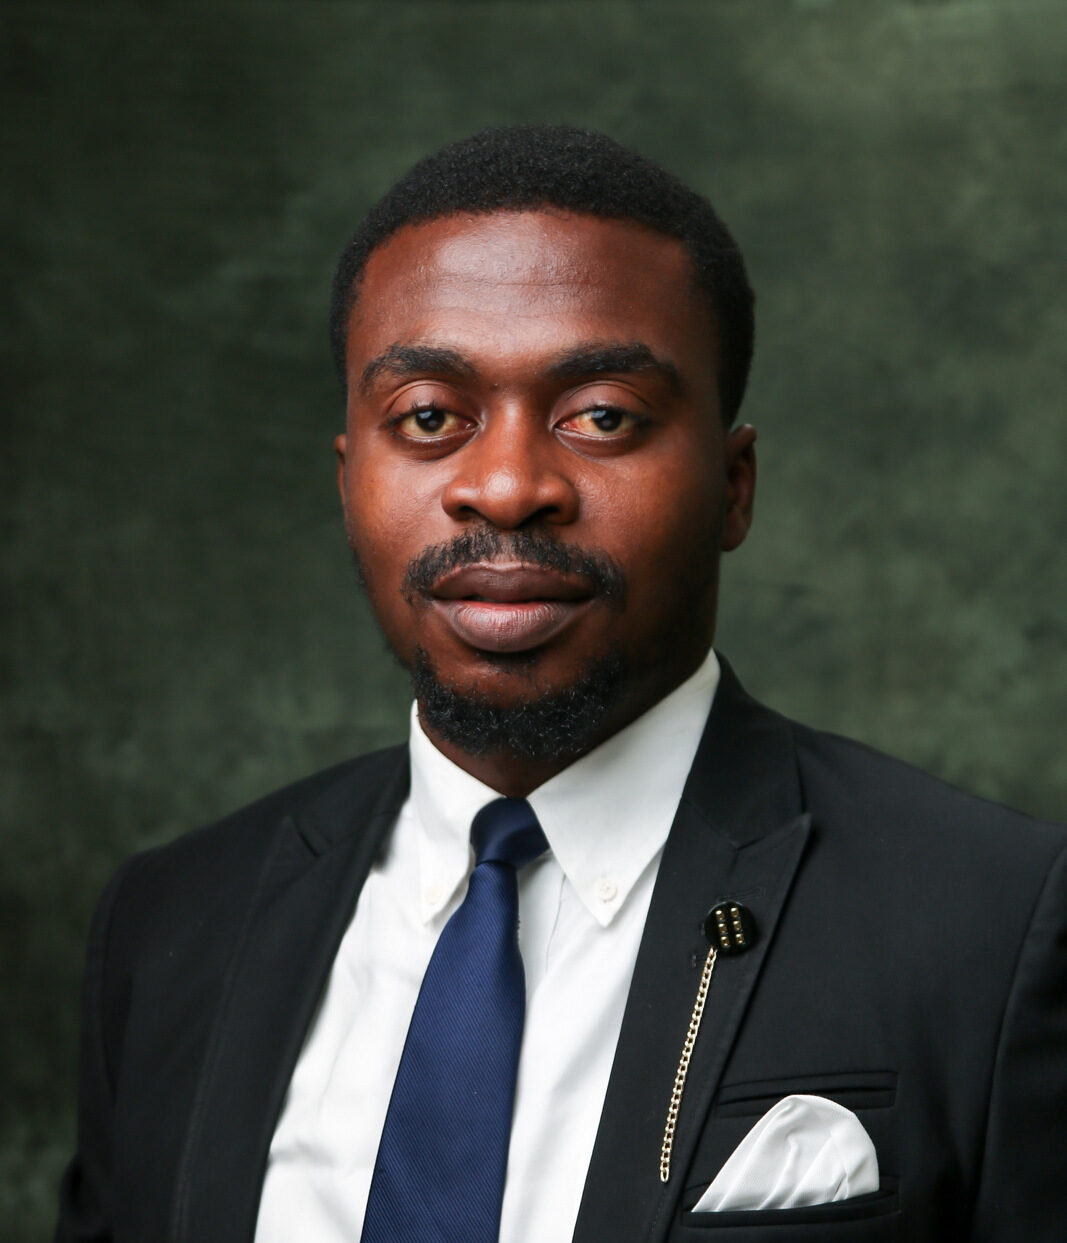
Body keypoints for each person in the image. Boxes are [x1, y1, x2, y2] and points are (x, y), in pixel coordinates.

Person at [56, 126, 1066, 1243]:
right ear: (350, 486)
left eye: (601, 416)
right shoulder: (174, 922)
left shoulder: (994, 919)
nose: (505, 486)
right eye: (429, 417)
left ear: (733, 487)